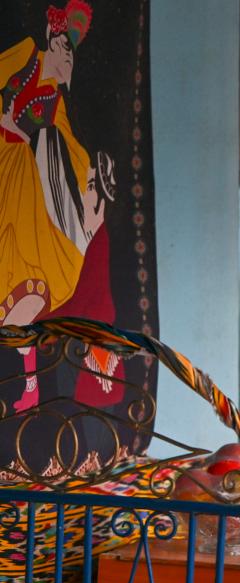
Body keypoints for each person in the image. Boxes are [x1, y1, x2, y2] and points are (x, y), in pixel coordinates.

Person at [0, 0, 94, 411]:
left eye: (73, 55)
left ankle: (31, 387)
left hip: (23, 185)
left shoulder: (57, 102)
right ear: (52, 41)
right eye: (65, 49)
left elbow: (74, 152)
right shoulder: (25, 57)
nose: (68, 60)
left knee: (25, 279)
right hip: (3, 165)